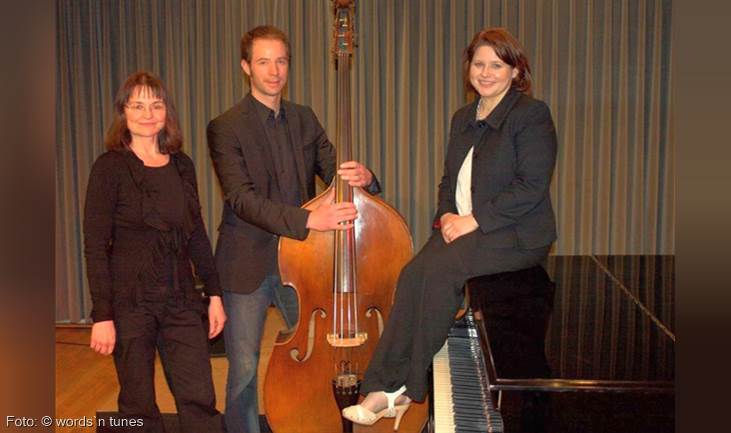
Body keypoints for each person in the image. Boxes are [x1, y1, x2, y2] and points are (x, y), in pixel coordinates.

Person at [342, 27, 558, 430]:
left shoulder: (531, 115)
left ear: (516, 71)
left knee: (440, 274)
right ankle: (383, 386)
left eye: (497, 65)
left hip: (515, 235)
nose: (486, 73)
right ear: (468, 68)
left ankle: (406, 386)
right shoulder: (463, 118)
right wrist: (444, 217)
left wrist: (472, 220)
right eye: (479, 64)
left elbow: (531, 186)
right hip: (463, 228)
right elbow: (449, 181)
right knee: (413, 273)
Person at [206, 25, 380, 433]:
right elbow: (241, 199)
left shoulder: (304, 118)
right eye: (263, 62)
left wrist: (366, 178)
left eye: (281, 61)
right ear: (246, 67)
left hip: (300, 263)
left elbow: (335, 169)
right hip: (246, 264)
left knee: (316, 358)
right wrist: (309, 220)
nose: (274, 71)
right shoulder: (225, 126)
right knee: (244, 369)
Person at [84, 71, 226, 433]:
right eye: (138, 105)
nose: (147, 114)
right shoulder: (109, 168)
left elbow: (196, 234)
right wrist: (103, 315)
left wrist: (215, 295)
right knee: (138, 404)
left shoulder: (182, 165)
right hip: (130, 303)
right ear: (123, 112)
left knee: (199, 396)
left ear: (167, 112)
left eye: (156, 105)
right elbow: (95, 247)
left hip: (181, 300)